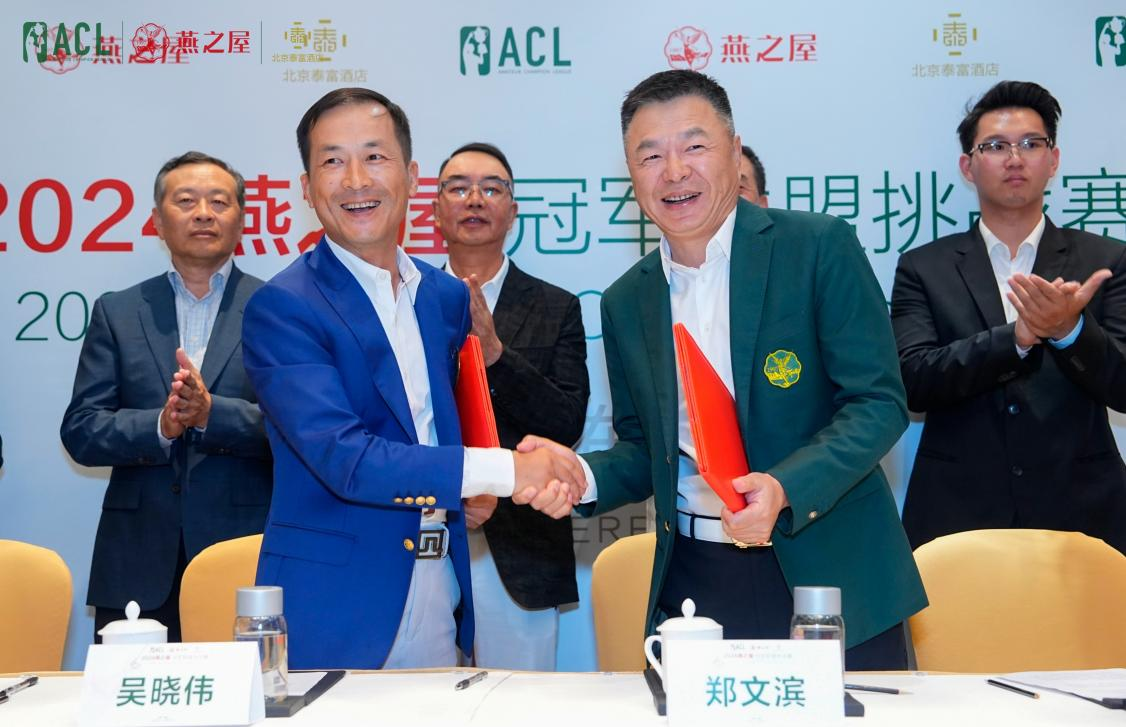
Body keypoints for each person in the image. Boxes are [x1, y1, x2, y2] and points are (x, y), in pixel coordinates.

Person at [521, 70, 926, 670]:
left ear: (735, 154)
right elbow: (644, 448)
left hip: (828, 572)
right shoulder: (626, 300)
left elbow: (878, 403)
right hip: (697, 582)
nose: (674, 171)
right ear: (630, 174)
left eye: (694, 146)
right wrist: (581, 475)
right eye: (650, 156)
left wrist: (785, 487)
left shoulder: (816, 246)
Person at [241, 88, 582, 670]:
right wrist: (506, 471)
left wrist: (476, 491)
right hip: (338, 605)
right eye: (332, 160)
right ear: (305, 187)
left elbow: (440, 429)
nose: (355, 180)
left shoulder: (444, 297)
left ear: (411, 176)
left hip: (441, 582)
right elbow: (345, 458)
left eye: (375, 156)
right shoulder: (283, 307)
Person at [892, 80, 1126, 553]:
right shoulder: (923, 267)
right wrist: (1016, 339)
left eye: (1031, 144)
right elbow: (912, 382)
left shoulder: (1106, 260)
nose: (1015, 158)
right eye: (996, 146)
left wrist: (1070, 330)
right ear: (968, 166)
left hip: (1083, 512)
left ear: (1053, 160)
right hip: (958, 515)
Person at [61, 151, 272, 642]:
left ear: (242, 219)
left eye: (219, 201)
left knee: (251, 689)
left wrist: (211, 414)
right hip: (136, 560)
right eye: (186, 201)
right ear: (157, 221)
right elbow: (81, 430)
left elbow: (298, 428)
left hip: (245, 556)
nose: (203, 213)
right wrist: (161, 425)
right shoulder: (118, 311)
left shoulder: (278, 307)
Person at [433, 142, 589, 670]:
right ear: (435, 209)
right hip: (424, 536)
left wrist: (496, 354)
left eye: (492, 188)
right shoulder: (405, 298)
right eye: (458, 188)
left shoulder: (557, 306)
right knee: (415, 697)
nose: (475, 199)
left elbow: (566, 422)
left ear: (513, 210)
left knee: (521, 701)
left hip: (522, 545)